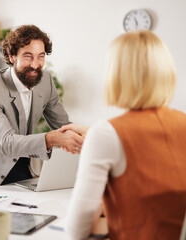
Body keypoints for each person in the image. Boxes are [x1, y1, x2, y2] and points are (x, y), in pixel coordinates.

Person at [64, 30, 186, 239]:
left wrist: (98, 139)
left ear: (116, 75)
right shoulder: (182, 121)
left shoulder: (105, 135)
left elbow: (77, 231)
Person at [0, 24, 87, 191]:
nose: (35, 65)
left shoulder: (45, 82)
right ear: (12, 56)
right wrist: (53, 139)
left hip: (19, 160)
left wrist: (82, 140)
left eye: (41, 56)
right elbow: (7, 143)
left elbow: (63, 126)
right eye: (28, 56)